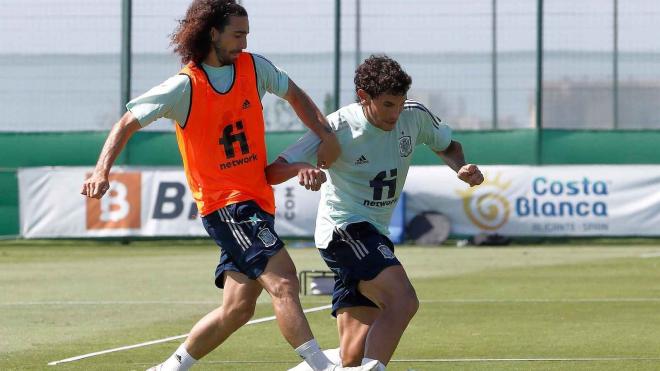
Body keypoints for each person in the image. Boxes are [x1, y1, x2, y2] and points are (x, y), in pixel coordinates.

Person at [80, 1, 378, 371]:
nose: (244, 42)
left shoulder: (254, 67)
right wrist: (100, 171)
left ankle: (169, 368)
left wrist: (324, 133)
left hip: (256, 203)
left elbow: (295, 95)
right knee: (285, 281)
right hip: (227, 206)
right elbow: (126, 122)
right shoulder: (183, 87)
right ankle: (323, 367)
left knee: (237, 309)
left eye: (247, 34)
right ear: (211, 33)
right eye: (238, 34)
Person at [266, 55, 484, 370]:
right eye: (387, 105)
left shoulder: (415, 116)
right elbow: (274, 171)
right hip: (344, 231)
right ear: (363, 97)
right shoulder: (336, 127)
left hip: (373, 235)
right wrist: (303, 170)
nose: (396, 114)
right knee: (404, 300)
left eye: (400, 103)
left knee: (352, 357)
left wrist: (460, 167)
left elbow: (448, 145)